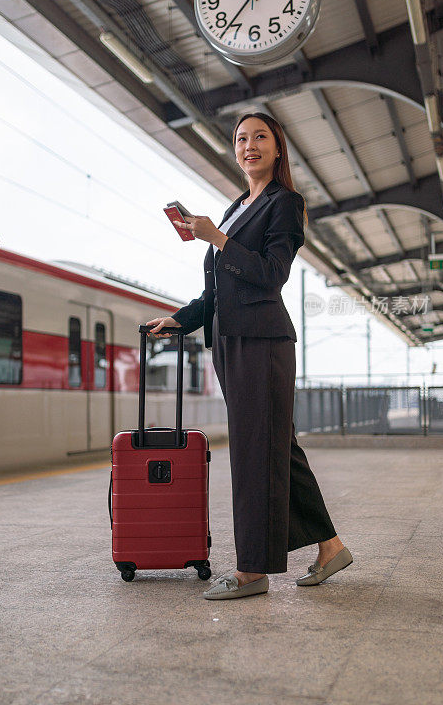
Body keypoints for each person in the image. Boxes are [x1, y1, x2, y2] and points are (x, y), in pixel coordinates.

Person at [146, 113, 353, 600]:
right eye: (241, 138)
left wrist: (217, 238)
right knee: (276, 448)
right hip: (232, 342)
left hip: (262, 343)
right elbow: (218, 288)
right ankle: (331, 547)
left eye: (260, 137)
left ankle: (252, 571)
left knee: (255, 453)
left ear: (278, 149)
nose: (249, 145)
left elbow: (271, 274)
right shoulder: (238, 206)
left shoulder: (285, 204)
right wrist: (182, 318)